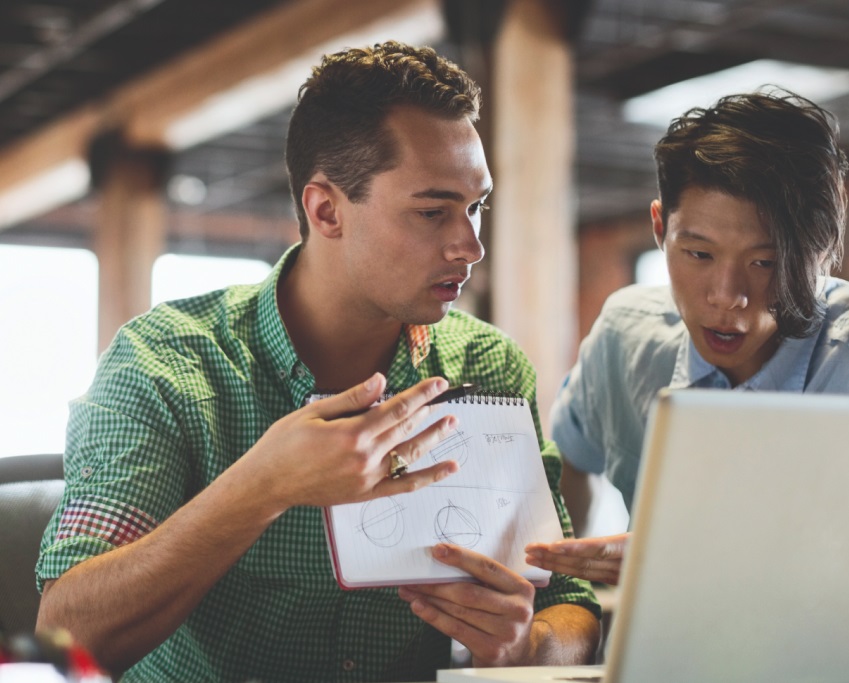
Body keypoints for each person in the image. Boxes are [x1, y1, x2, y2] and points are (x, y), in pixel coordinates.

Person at [35, 41, 601, 681]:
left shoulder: (488, 367)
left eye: (475, 208)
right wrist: (261, 488)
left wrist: (526, 646)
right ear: (326, 209)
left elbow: (568, 606)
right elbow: (66, 638)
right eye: (433, 211)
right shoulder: (165, 362)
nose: (470, 246)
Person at [525, 89, 849, 586]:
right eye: (699, 254)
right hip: (647, 658)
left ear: (823, 253)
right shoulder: (626, 338)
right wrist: (570, 595)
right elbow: (570, 458)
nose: (726, 296)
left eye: (765, 263)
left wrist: (692, 562)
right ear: (660, 228)